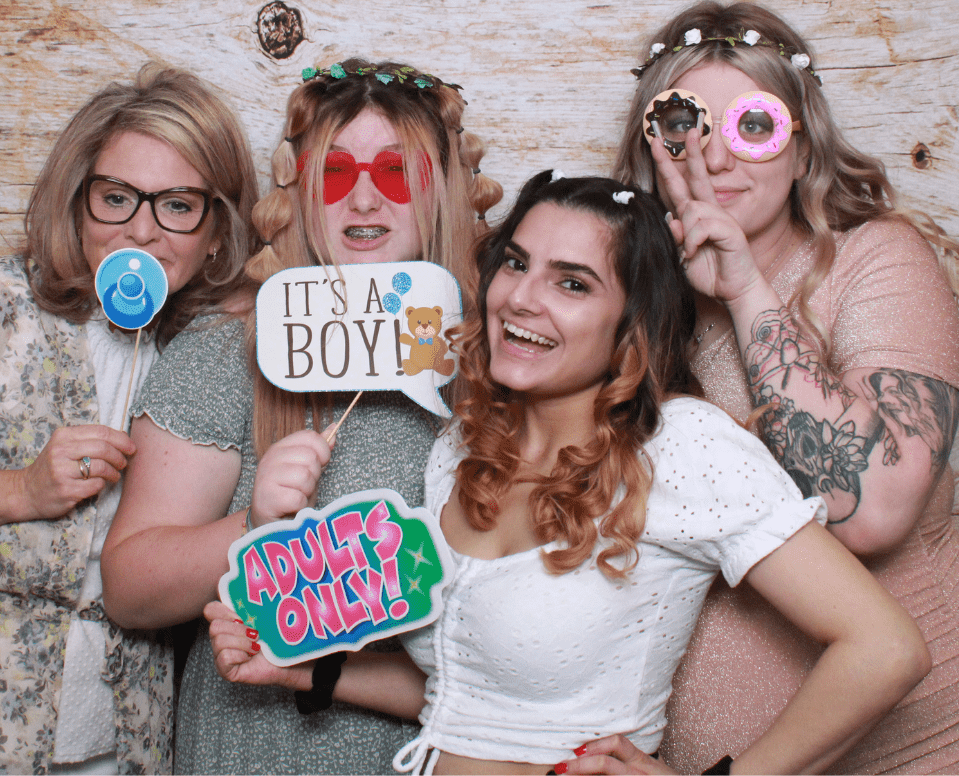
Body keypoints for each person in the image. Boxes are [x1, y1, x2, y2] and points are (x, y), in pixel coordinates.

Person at [204, 172, 930, 775]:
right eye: (515, 263)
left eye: (572, 283)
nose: (522, 297)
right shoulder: (462, 447)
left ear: (630, 325)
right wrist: (303, 672)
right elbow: (467, 693)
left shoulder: (680, 446)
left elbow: (884, 650)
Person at [580, 2, 959, 773]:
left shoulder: (873, 260)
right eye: (685, 126)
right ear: (650, 153)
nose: (715, 159)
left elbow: (874, 509)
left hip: (907, 755)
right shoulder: (627, 319)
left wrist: (746, 289)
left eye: (753, 126)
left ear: (802, 147)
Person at [100, 58, 502, 774]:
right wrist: (254, 526)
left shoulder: (503, 357)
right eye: (338, 173)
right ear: (304, 186)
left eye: (398, 172)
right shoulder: (230, 349)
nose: (366, 201)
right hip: (255, 750)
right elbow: (130, 589)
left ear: (443, 188)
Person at [0, 62, 259, 773]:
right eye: (116, 198)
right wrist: (19, 490)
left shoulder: (208, 355)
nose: (140, 231)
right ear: (79, 202)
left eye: (177, 205)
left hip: (124, 743)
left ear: (215, 231)